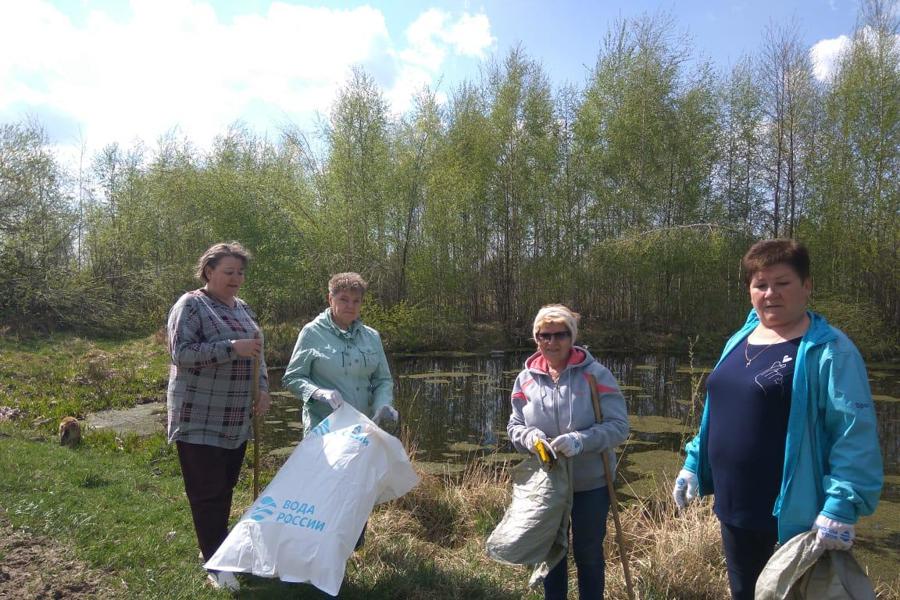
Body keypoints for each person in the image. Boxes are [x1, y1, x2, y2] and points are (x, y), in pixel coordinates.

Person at [672, 239, 883, 600]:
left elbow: (853, 431)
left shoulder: (830, 350)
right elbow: (718, 408)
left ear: (807, 286)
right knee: (744, 592)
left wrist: (841, 504)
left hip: (791, 516)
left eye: (782, 283)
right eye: (760, 284)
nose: (771, 293)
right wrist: (694, 461)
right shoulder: (741, 337)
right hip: (734, 506)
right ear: (749, 290)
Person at [166, 242, 270, 592]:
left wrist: (263, 389)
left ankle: (215, 549)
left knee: (224, 489)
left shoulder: (243, 308)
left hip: (235, 419)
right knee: (207, 491)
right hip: (199, 415)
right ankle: (215, 563)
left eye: (240, 272)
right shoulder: (192, 305)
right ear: (209, 271)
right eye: (229, 271)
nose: (236, 278)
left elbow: (258, 352)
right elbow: (181, 354)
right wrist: (231, 349)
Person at [507, 304, 629, 600]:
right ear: (536, 338)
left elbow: (619, 427)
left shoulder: (596, 375)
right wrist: (531, 438)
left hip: (591, 483)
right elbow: (514, 426)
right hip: (547, 485)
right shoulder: (526, 379)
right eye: (543, 335)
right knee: (552, 553)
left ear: (572, 337)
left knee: (588, 553)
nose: (551, 342)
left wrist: (580, 440)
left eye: (559, 334)